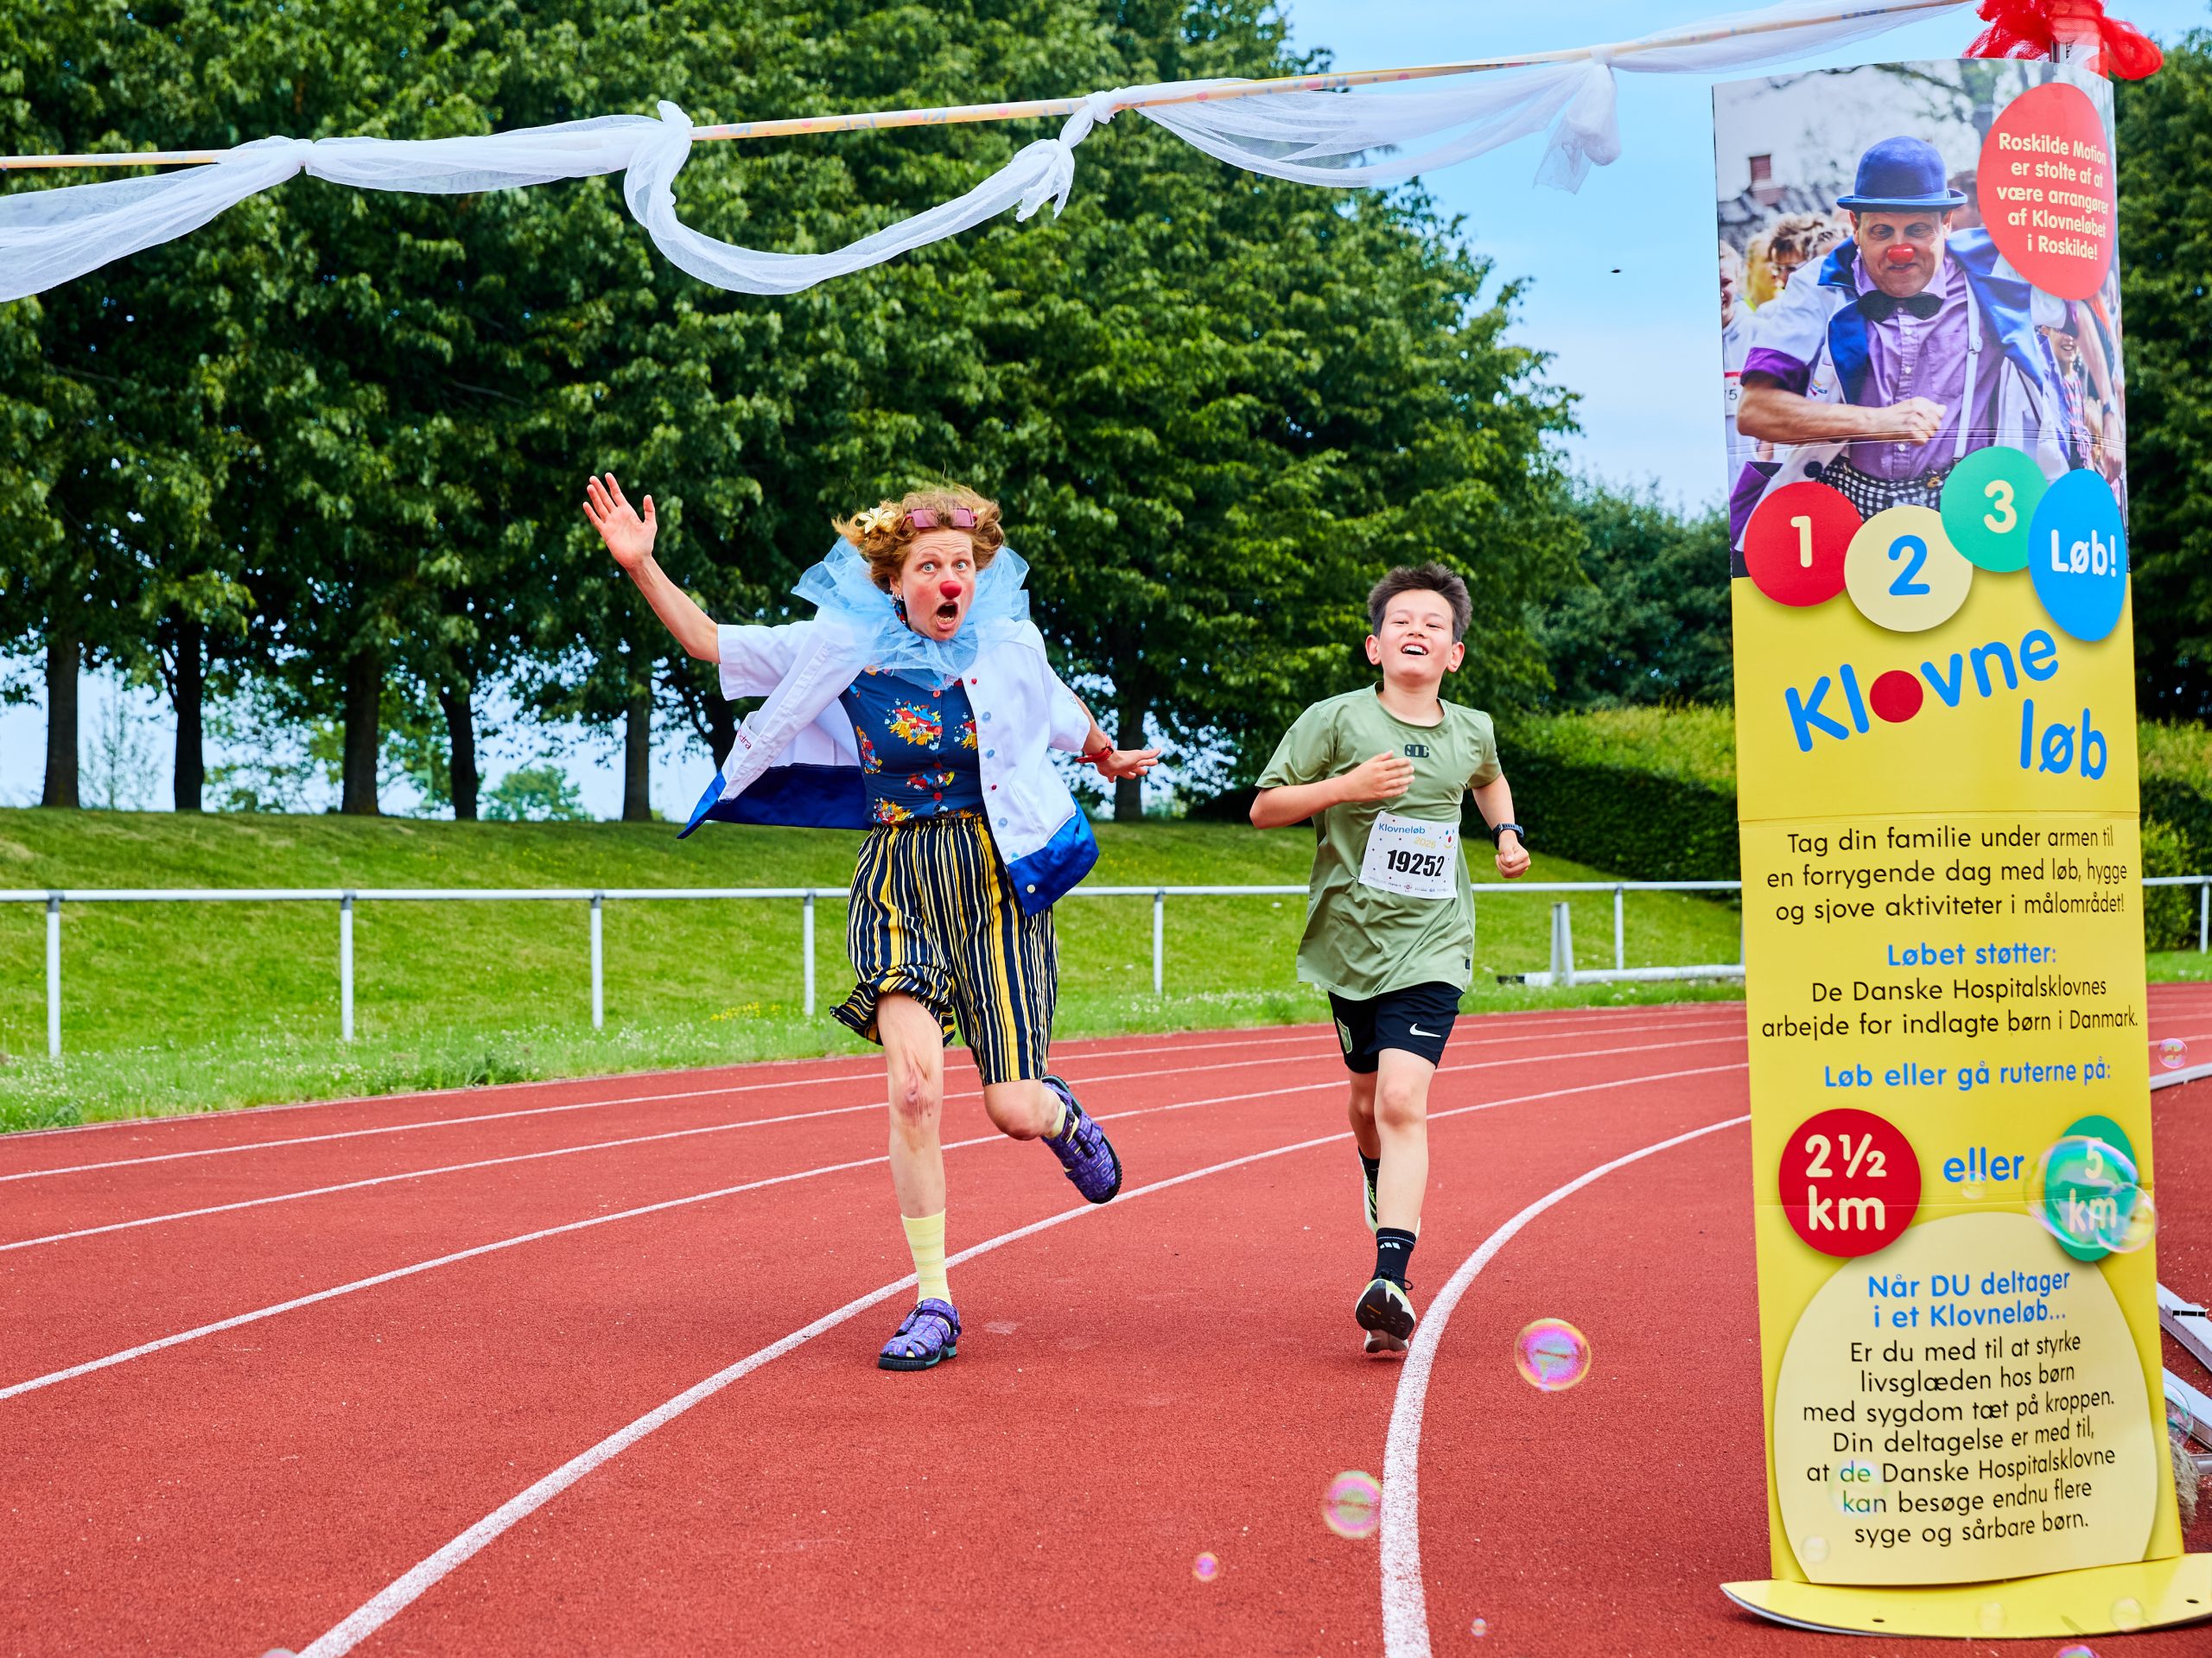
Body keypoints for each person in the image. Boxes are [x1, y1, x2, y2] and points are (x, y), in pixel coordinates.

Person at [582, 474, 1160, 1372]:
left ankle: (1060, 1119)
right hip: (899, 879)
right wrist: (643, 564)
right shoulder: (839, 643)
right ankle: (934, 1299)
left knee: (1008, 1104)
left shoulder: (1007, 644)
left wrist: (1100, 750)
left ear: (977, 573)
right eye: (928, 564)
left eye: (960, 563)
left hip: (999, 881)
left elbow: (1056, 706)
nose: (946, 578)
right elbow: (709, 642)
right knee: (915, 1088)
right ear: (897, 578)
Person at [1248, 563, 1530, 1356]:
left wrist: (1505, 832)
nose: (1417, 630)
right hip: (1350, 941)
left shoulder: (1472, 726)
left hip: (1436, 941)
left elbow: (1489, 778)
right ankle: (1376, 1176)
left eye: (1433, 624)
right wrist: (1348, 786)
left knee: (1405, 1101)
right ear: (1375, 646)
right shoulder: (1333, 720)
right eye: (1401, 620)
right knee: (1368, 1105)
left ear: (1455, 653)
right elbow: (1265, 807)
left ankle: (1390, 1279)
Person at [1733, 135, 2062, 547]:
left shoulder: (1997, 276)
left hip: (1976, 508)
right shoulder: (1818, 285)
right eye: (1882, 231)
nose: (1900, 249)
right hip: (1840, 508)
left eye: (1918, 229)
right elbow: (1755, 410)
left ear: (1948, 224)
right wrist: (1876, 423)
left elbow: (2087, 296)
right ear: (1855, 228)